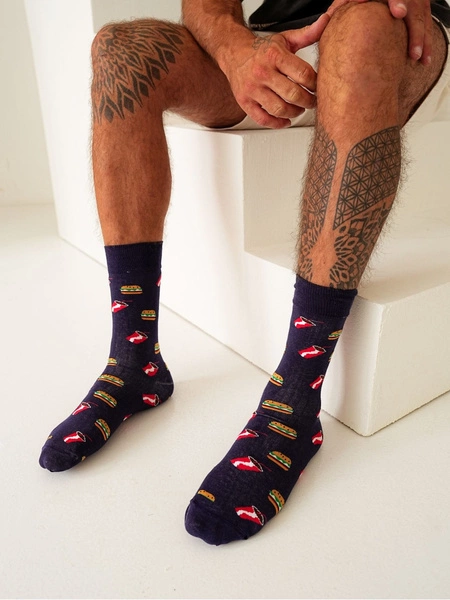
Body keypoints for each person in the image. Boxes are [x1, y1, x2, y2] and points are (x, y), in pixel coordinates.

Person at [39, 0, 450, 545]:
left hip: (403, 35)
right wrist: (237, 52)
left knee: (367, 25)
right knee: (120, 51)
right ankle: (134, 361)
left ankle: (294, 401)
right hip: (284, 45)